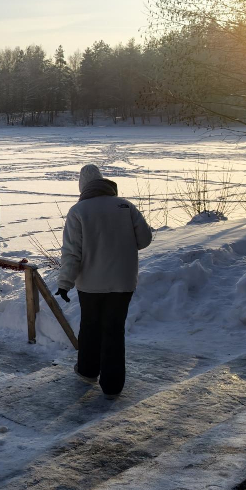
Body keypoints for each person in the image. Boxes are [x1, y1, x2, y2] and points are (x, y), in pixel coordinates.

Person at [56, 164, 152, 400]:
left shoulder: (78, 211)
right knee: (114, 330)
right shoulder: (126, 206)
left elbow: (72, 253)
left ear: (82, 186)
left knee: (90, 326)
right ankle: (113, 385)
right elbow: (145, 239)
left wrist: (64, 283)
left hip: (91, 284)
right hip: (123, 282)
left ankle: (88, 372)